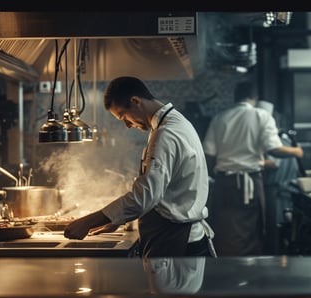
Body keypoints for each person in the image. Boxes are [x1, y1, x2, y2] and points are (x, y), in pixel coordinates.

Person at [64, 76, 217, 258]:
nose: (127, 125)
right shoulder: (173, 123)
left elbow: (145, 196)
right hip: (177, 237)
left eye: (123, 117)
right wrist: (116, 219)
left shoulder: (166, 134)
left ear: (135, 101)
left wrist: (88, 221)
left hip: (177, 241)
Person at [202, 80, 303, 256]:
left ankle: (224, 275)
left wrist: (214, 177)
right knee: (249, 231)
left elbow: (208, 155)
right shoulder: (261, 116)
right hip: (249, 182)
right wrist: (297, 151)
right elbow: (274, 149)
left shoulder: (219, 118)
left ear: (236, 97)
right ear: (254, 97)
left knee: (223, 230)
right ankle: (247, 276)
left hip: (223, 184)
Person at [256, 100, 303, 254]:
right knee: (285, 229)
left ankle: (275, 261)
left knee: (275, 229)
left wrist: (252, 161)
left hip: (276, 193)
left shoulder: (277, 141)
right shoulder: (286, 139)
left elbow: (274, 163)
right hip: (288, 191)